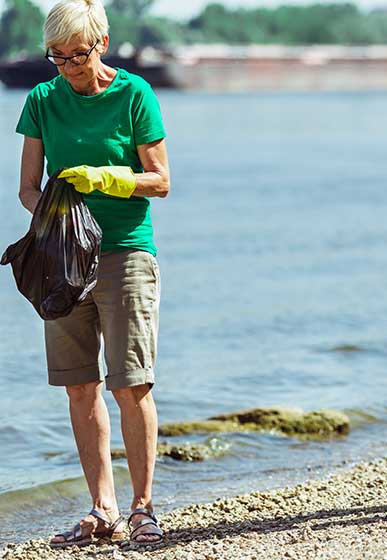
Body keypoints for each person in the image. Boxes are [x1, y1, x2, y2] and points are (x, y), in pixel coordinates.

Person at [16, 0, 170, 546]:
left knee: (131, 384)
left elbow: (160, 180)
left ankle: (143, 509)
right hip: (62, 262)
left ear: (101, 43)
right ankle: (103, 509)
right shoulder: (42, 100)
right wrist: (55, 216)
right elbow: (27, 188)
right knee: (80, 386)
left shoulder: (134, 94)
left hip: (125, 254)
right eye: (56, 57)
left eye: (77, 56)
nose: (67, 68)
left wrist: (107, 179)